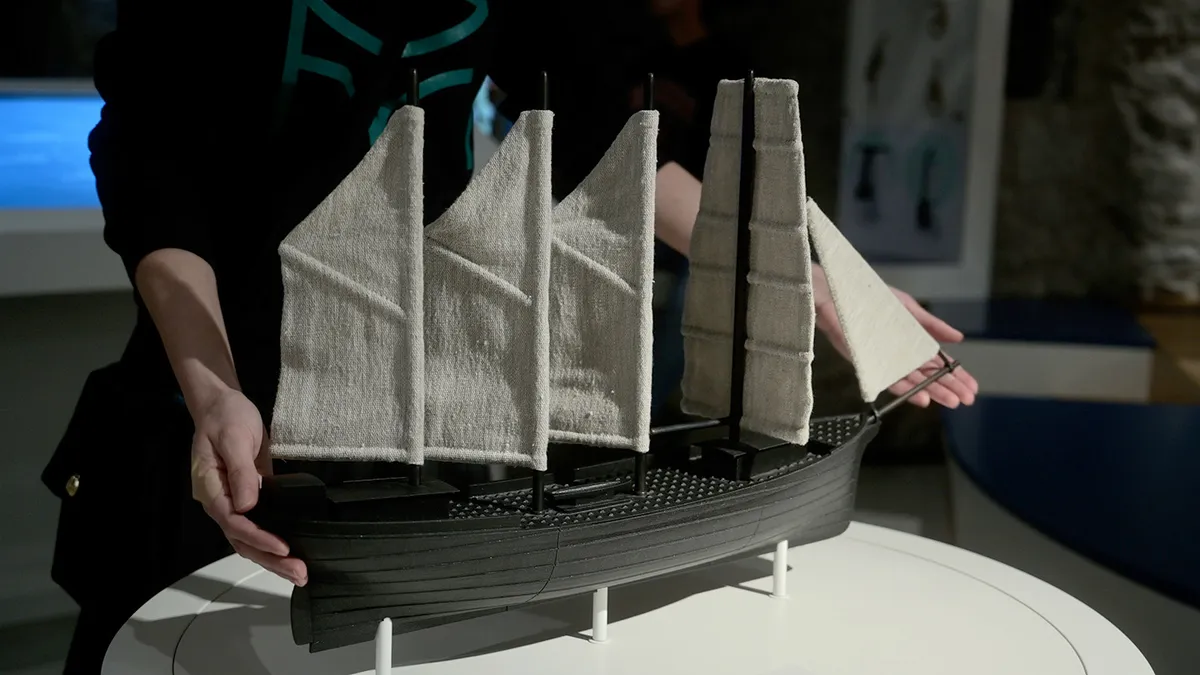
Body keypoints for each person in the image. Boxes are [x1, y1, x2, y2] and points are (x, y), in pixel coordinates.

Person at [46, 2, 977, 672]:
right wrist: (214, 388)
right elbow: (151, 166)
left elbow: (608, 138)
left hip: (413, 413)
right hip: (206, 396)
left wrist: (801, 283)